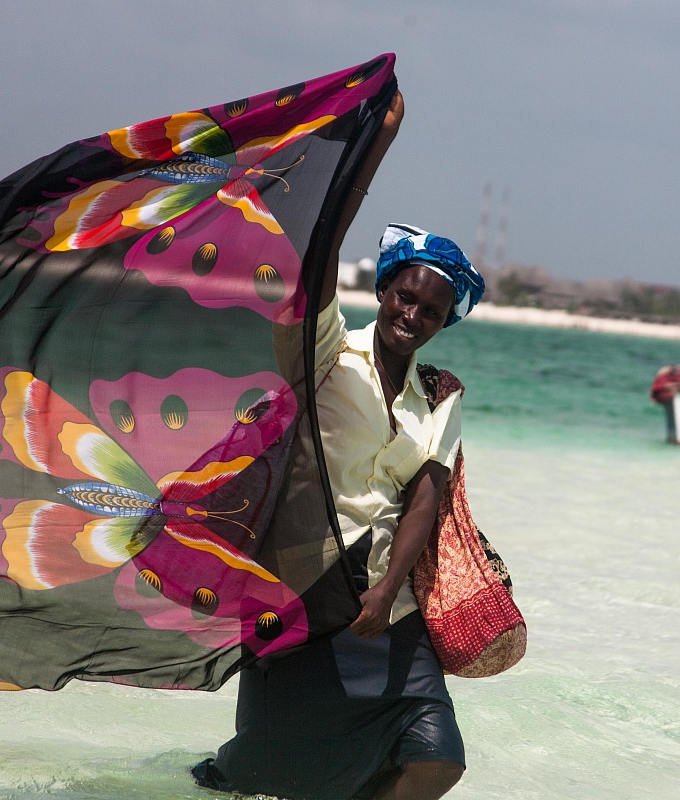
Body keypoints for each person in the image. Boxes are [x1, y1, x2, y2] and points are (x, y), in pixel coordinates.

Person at [193, 90, 486, 800]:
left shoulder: (439, 395)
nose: (411, 315)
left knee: (436, 760)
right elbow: (314, 253)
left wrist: (388, 591)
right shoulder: (324, 352)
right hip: (297, 593)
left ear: (444, 324)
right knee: (265, 776)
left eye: (430, 311)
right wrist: (373, 147)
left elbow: (426, 494)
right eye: (404, 298)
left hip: (390, 604)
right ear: (383, 292)